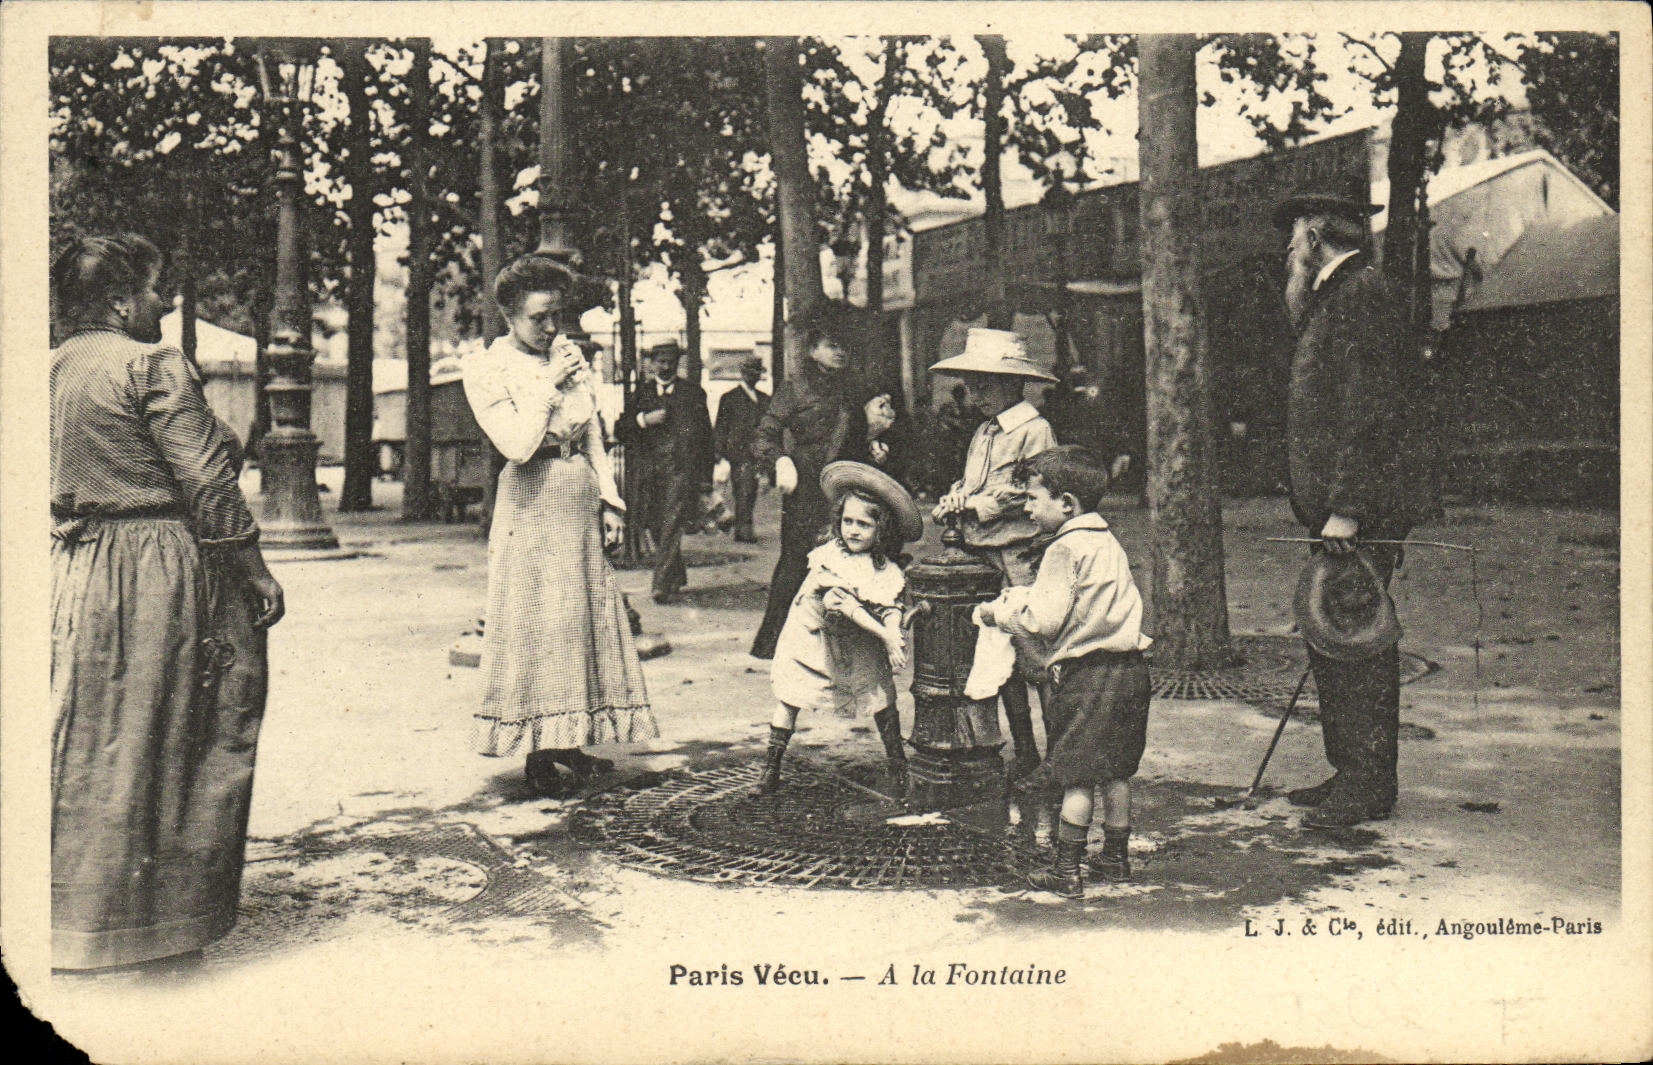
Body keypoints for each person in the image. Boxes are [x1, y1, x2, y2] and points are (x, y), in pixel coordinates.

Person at [50, 233, 285, 972]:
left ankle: (76, 918)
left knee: (95, 734)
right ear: (121, 301)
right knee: (182, 726)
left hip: (77, 563)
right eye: (157, 290)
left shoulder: (46, 367)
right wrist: (254, 571)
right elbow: (209, 484)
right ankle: (159, 924)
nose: (168, 302)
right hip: (159, 561)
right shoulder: (149, 362)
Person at [463, 254, 658, 798]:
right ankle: (536, 754)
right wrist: (549, 382)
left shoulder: (568, 355)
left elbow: (591, 432)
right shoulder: (487, 368)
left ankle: (570, 740)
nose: (551, 328)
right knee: (538, 621)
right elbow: (518, 445)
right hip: (530, 500)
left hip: (576, 498)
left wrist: (611, 503)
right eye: (539, 317)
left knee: (578, 621)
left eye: (557, 316)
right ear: (508, 315)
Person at [1274, 192, 1437, 829]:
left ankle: (1367, 784)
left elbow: (1371, 410)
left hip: (1358, 510)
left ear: (1315, 238)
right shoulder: (1340, 297)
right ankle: (1351, 770)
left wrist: (1347, 507)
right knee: (1335, 634)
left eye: (1293, 243)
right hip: (1343, 510)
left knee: (1356, 639)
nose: (1289, 256)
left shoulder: (1361, 295)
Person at [976, 446, 1152, 898]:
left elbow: (1044, 621)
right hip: (1130, 669)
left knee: (1076, 776)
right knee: (1116, 771)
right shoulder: (1106, 540)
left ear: (1067, 503)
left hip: (1089, 675)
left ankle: (1066, 871)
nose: (1027, 508)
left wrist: (1000, 616)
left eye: (1033, 499)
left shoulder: (1064, 547)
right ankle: (1116, 857)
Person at [929, 328, 1059, 778]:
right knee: (995, 653)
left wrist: (977, 505)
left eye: (989, 382)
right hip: (980, 556)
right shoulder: (984, 430)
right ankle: (1024, 749)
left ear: (1015, 384)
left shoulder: (1034, 429)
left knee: (1034, 655)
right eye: (973, 382)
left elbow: (1031, 491)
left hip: (1018, 557)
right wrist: (955, 498)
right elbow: (972, 483)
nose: (978, 391)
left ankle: (1056, 756)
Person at [756, 461, 924, 797]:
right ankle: (771, 766)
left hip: (857, 639)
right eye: (847, 521)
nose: (854, 530)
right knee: (791, 696)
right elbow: (841, 602)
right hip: (813, 638)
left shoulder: (885, 569)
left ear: (882, 530)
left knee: (880, 692)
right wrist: (886, 634)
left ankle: (897, 764)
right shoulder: (828, 557)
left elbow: (891, 604)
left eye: (864, 524)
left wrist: (894, 631)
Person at [750, 301, 894, 659]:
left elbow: (867, 432)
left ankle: (840, 644)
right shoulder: (794, 388)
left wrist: (875, 444)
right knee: (796, 562)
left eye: (844, 346)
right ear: (813, 349)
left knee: (852, 560)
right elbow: (763, 436)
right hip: (806, 489)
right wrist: (781, 460)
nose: (840, 352)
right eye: (831, 345)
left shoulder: (858, 387)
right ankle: (774, 645)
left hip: (848, 487)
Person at [619, 341, 716, 602]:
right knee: (652, 523)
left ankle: (660, 583)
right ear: (652, 363)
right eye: (660, 360)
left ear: (677, 363)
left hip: (681, 471)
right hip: (649, 472)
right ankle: (676, 574)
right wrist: (643, 420)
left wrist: (706, 479)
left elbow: (706, 437)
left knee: (671, 523)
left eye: (670, 361)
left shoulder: (692, 393)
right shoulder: (642, 393)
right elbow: (621, 429)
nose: (665, 366)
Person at [714, 355, 770, 543]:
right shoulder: (729, 398)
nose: (752, 376)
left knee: (751, 490)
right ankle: (743, 529)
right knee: (743, 490)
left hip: (757, 452)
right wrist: (719, 454)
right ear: (742, 373)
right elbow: (721, 427)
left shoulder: (764, 399)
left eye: (756, 373)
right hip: (738, 452)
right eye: (748, 372)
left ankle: (743, 526)